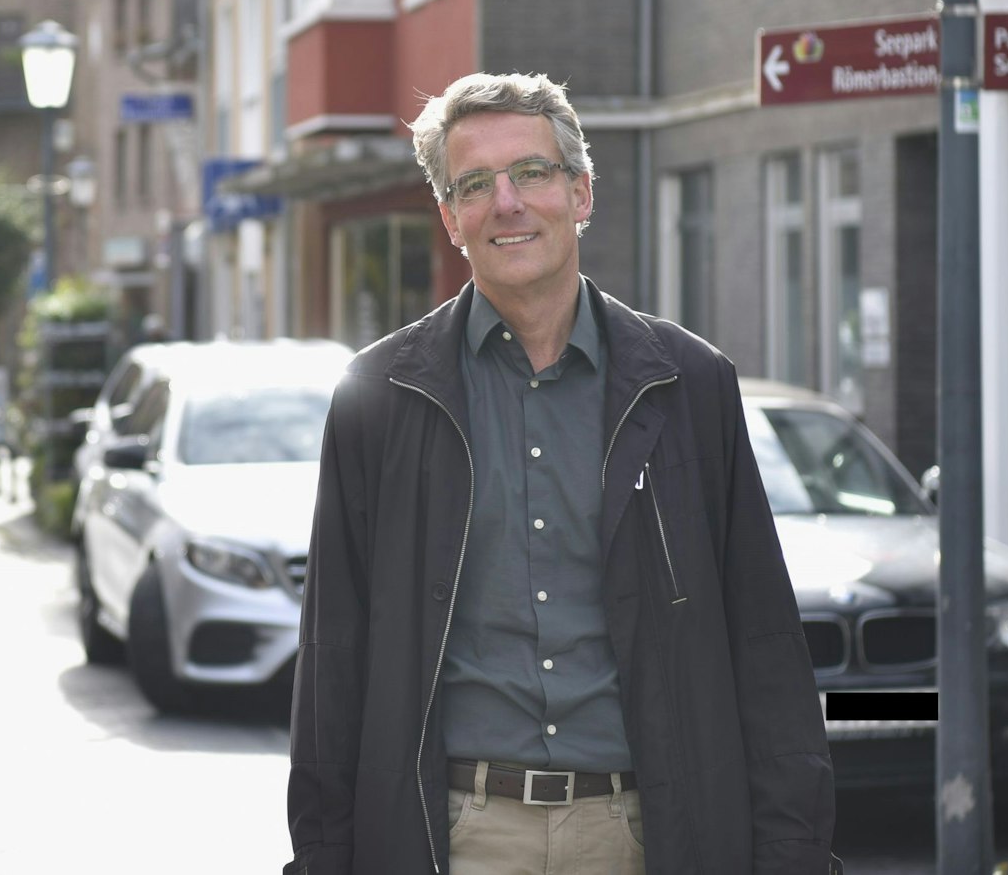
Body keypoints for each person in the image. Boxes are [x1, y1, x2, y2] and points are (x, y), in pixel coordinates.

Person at [284, 73, 837, 875]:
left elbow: (765, 647)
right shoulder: (379, 398)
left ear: (581, 192)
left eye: (532, 173)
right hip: (456, 838)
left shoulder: (689, 386)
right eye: (474, 184)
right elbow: (332, 659)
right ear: (450, 218)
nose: (506, 202)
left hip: (648, 835)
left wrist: (793, 853)